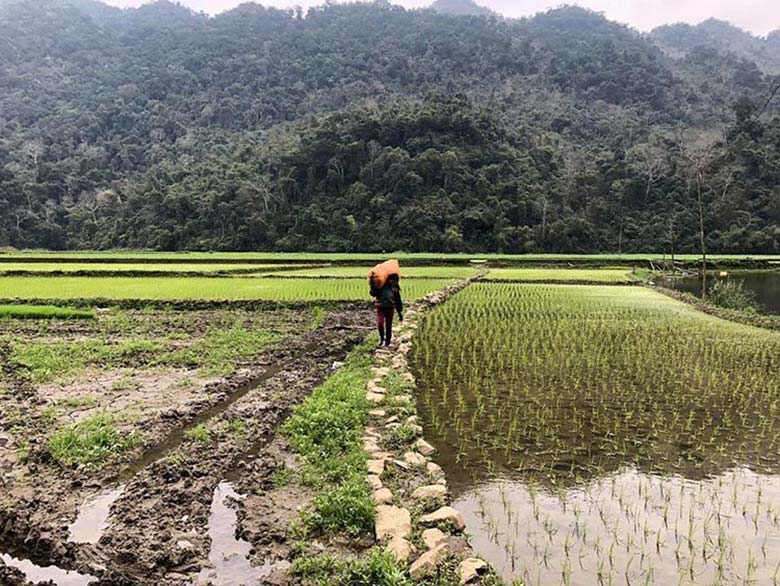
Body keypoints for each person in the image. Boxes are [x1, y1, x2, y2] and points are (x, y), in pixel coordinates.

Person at [370, 273, 403, 348]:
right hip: (380, 307)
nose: (393, 282)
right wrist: (372, 284)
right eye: (392, 280)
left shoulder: (395, 288)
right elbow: (373, 293)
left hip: (390, 308)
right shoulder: (381, 285)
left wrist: (399, 312)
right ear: (389, 279)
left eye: (395, 281)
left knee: (389, 325)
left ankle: (387, 342)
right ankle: (381, 339)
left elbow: (398, 300)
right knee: (380, 324)